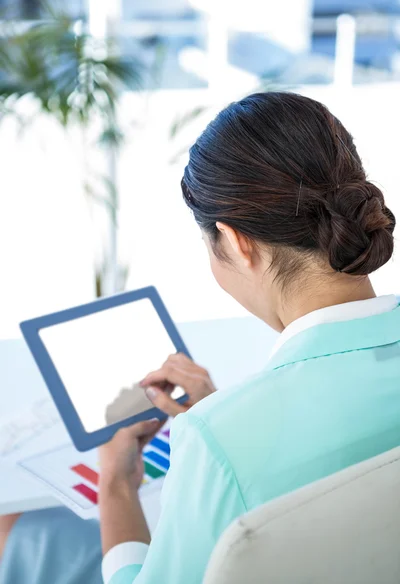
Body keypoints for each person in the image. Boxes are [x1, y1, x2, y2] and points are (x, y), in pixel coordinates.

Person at [1, 91, 400, 584]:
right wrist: (221, 420)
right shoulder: (223, 434)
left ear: (236, 242)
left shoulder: (221, 442)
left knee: (9, 528)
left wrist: (117, 483)